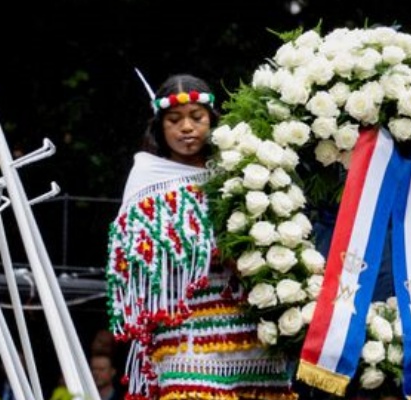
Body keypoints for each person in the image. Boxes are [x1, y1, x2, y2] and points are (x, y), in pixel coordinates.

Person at [105, 73, 296, 400]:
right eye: (174, 120)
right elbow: (132, 257)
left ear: (212, 120)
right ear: (160, 127)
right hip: (184, 326)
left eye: (197, 117)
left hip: (250, 321)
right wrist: (203, 249)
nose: (187, 128)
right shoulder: (147, 177)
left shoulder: (242, 171)